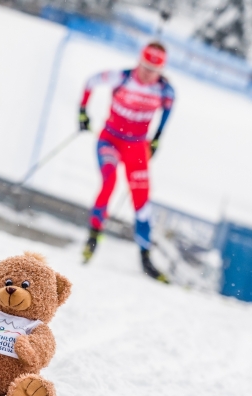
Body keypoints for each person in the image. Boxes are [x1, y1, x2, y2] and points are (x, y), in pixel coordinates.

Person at [79, 41, 175, 282]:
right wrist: (82, 112)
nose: (147, 73)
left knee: (142, 199)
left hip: (136, 146)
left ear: (161, 71)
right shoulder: (121, 77)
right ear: (138, 62)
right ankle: (92, 239)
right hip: (110, 140)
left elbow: (167, 111)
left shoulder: (165, 90)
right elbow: (90, 81)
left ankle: (145, 258)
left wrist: (157, 138)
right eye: (144, 66)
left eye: (153, 70)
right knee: (109, 182)